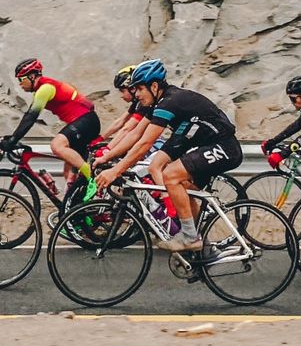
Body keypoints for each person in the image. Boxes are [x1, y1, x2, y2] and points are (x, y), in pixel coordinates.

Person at [95, 59, 241, 253]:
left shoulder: (170, 103)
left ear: (154, 86)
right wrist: (107, 157)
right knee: (161, 167)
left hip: (223, 146)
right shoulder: (158, 103)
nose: (136, 94)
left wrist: (116, 170)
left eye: (139, 88)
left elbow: (145, 143)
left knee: (171, 175)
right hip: (196, 139)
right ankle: (204, 248)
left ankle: (189, 237)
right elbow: (136, 134)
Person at [1, 58, 100, 200]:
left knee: (57, 145)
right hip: (84, 121)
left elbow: (30, 117)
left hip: (86, 120)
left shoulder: (45, 88)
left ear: (32, 76)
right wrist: (12, 138)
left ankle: (92, 179)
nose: (20, 84)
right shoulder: (43, 88)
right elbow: (28, 117)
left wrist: (12, 140)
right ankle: (77, 211)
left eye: (21, 79)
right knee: (69, 175)